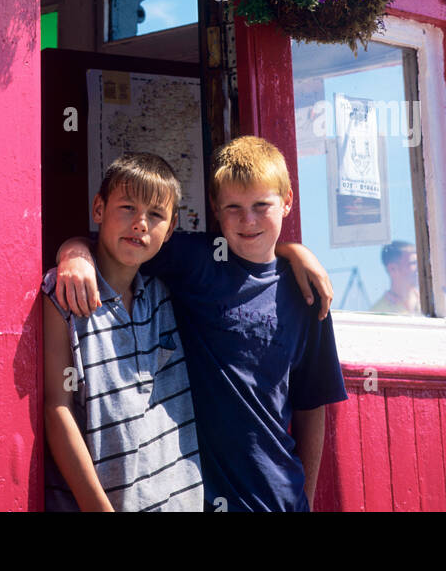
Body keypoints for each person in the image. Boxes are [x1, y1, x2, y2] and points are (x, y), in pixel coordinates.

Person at [54, 135, 346, 512]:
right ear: (214, 208)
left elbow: (311, 404)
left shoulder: (308, 294)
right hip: (193, 497)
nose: (248, 220)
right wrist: (74, 252)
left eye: (262, 205)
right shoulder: (196, 260)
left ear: (288, 201)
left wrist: (303, 496)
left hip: (280, 498)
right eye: (233, 207)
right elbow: (120, 242)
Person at [42, 151, 204, 511]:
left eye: (156, 215)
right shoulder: (64, 293)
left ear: (171, 228)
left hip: (178, 500)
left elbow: (246, 256)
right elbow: (57, 408)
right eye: (127, 208)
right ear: (98, 210)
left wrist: (294, 252)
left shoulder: (164, 295)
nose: (141, 224)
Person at [370, 239, 420, 315]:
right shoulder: (376, 313)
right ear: (392, 269)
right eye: (413, 263)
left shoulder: (432, 303)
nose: (419, 268)